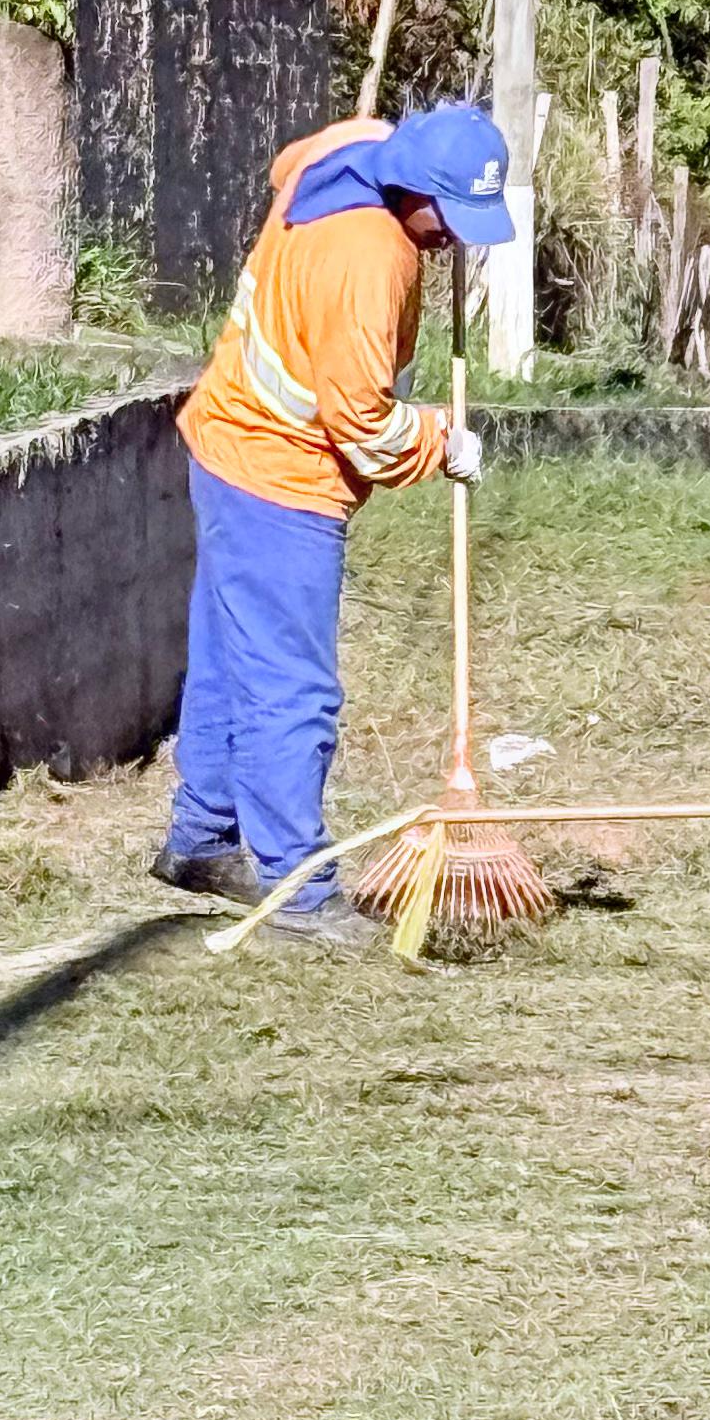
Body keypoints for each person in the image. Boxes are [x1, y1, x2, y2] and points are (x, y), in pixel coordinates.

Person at [156, 102, 516, 941]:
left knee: (229, 663)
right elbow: (362, 425)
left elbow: (300, 152)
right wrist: (440, 441)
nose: (454, 241)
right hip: (282, 474)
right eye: (448, 221)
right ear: (414, 190)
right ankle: (299, 887)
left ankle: (202, 840)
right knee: (291, 688)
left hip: (224, 441)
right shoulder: (368, 259)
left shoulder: (353, 148)